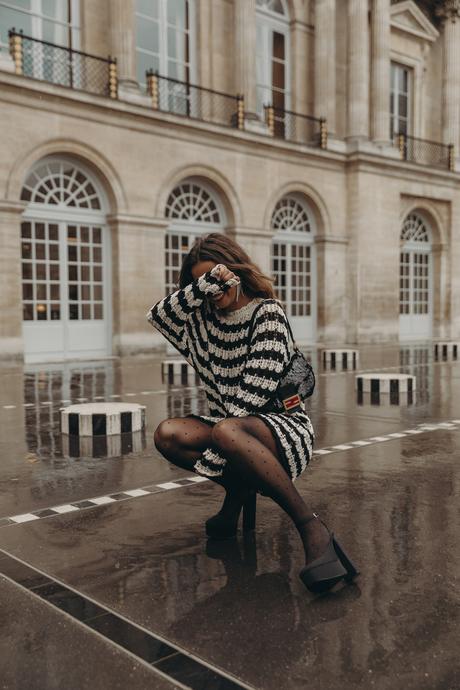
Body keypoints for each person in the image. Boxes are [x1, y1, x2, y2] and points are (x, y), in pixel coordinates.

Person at [148, 233, 358, 593]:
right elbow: (159, 315)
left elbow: (251, 399)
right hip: (226, 428)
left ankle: (311, 527)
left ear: (236, 270)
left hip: (280, 428)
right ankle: (239, 493)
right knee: (168, 433)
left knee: (227, 431)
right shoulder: (201, 323)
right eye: (205, 284)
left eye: (218, 279)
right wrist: (202, 287)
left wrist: (216, 455)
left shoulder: (268, 314)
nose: (215, 292)